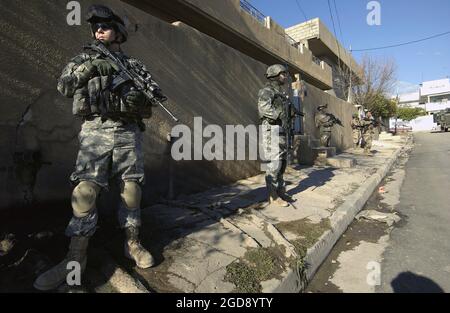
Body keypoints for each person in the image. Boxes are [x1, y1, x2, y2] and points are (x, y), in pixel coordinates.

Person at [34, 4, 159, 291]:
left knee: (131, 190)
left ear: (119, 31)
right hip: (96, 131)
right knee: (85, 191)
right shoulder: (83, 58)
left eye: (105, 26)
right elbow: (64, 87)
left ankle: (132, 243)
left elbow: (149, 109)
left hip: (128, 132)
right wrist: (91, 67)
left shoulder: (135, 66)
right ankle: (74, 258)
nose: (98, 30)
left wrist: (136, 99)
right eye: (95, 26)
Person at [257, 64, 297, 207]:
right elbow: (263, 109)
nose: (285, 76)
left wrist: (290, 111)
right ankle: (273, 195)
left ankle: (280, 191)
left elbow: (286, 113)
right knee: (274, 164)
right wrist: (278, 113)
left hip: (282, 131)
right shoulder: (266, 91)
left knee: (282, 164)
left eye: (285, 74)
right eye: (282, 74)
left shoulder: (281, 93)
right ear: (274, 75)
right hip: (272, 130)